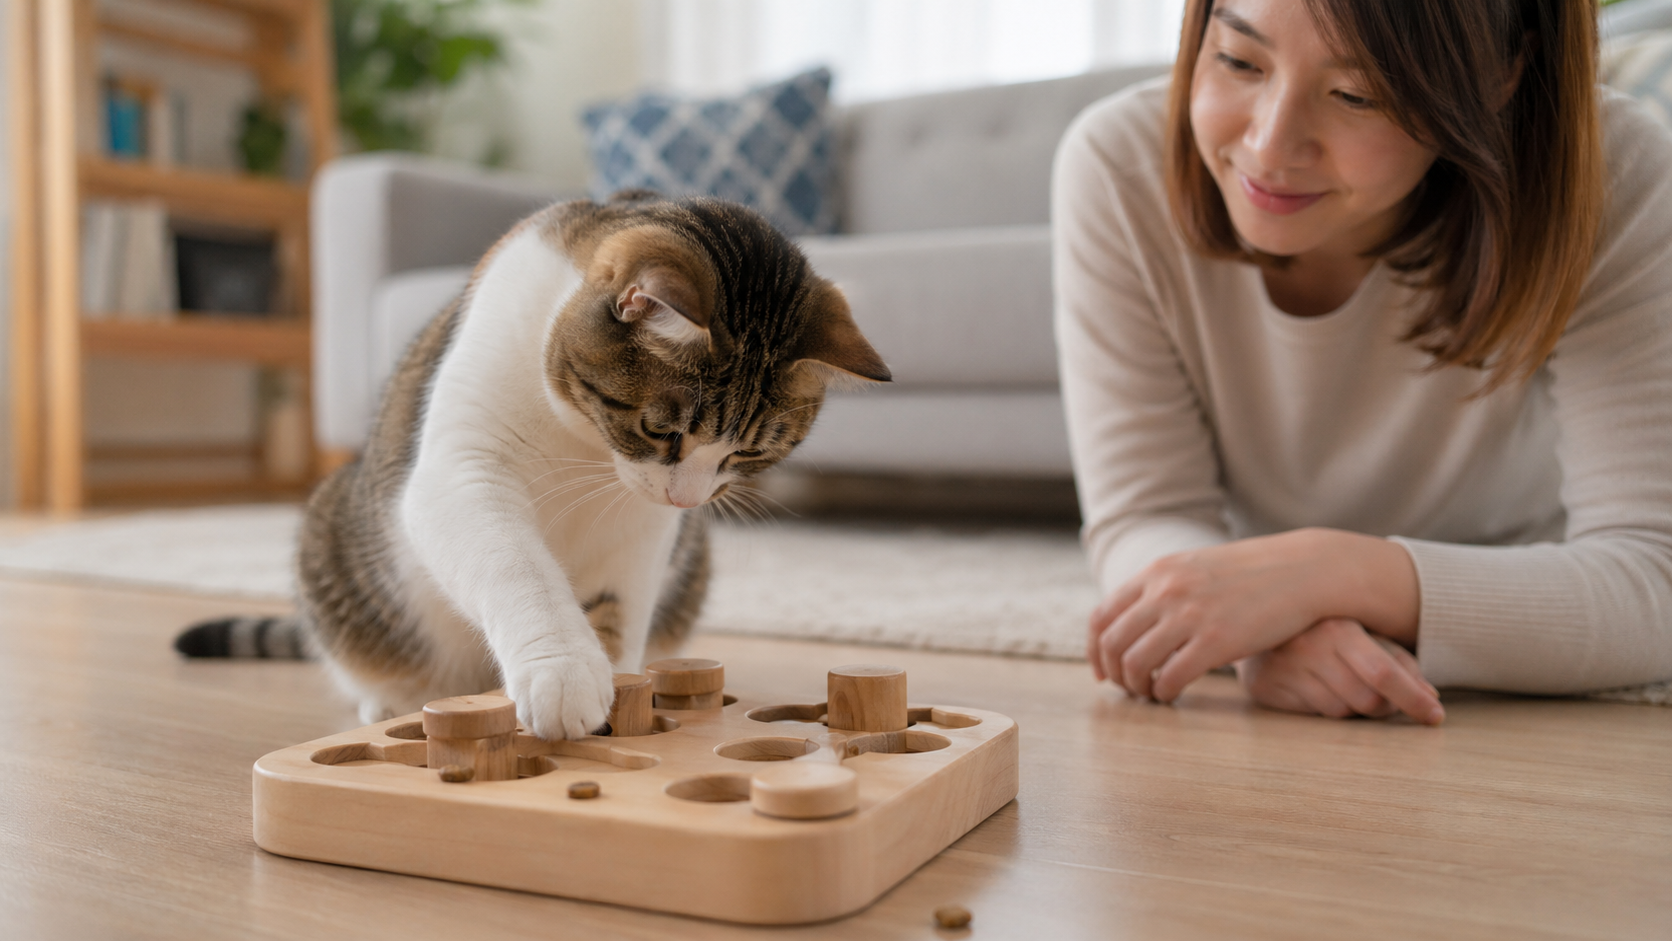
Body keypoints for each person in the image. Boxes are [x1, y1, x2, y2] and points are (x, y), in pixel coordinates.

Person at [1054, 0, 1672, 724]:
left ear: (1504, 74)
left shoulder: (1611, 170)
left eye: (1358, 94)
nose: (1270, 145)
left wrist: (1325, 575)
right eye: (1239, 60)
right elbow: (1146, 515)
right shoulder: (1117, 162)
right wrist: (1257, 627)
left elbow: (1652, 581)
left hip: (1525, 567)